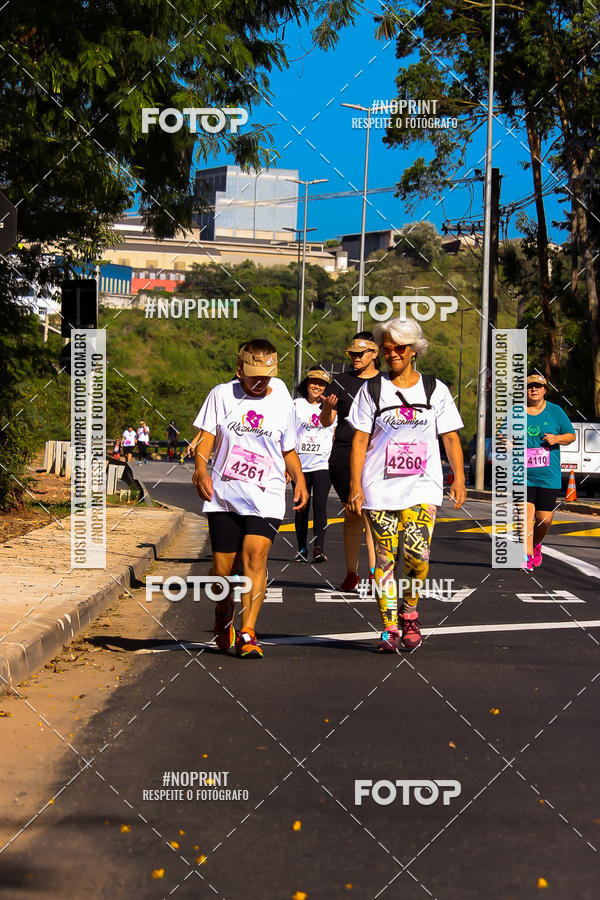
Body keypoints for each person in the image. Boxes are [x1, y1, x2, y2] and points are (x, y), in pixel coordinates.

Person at [347, 317, 466, 652]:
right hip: (379, 487)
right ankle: (388, 626)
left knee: (417, 556)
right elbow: (359, 441)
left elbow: (451, 437)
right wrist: (355, 485)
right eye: (387, 349)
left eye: (399, 348)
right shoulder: (372, 389)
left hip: (422, 486)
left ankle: (409, 612)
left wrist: (458, 478)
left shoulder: (434, 389)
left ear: (414, 350)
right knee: (385, 559)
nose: (392, 354)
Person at [192, 340, 308, 659]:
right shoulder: (222, 395)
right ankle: (223, 610)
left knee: (255, 558)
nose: (260, 382)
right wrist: (201, 469)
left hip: (266, 494)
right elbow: (206, 438)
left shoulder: (283, 403)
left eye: (267, 376)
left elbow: (288, 450)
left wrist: (299, 480)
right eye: (254, 375)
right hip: (225, 494)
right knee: (222, 571)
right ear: (239, 370)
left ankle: (248, 631)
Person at [320, 332, 379, 590]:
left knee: (375, 514)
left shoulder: (385, 383)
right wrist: (326, 408)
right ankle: (351, 573)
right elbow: (326, 422)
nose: (355, 358)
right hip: (344, 453)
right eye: (351, 354)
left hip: (375, 453)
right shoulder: (341, 382)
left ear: (374, 354)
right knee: (353, 512)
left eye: (360, 354)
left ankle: (377, 571)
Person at [524, 373, 575, 571]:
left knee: (544, 519)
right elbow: (503, 434)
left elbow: (570, 435)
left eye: (538, 386)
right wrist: (507, 441)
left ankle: (536, 544)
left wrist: (556, 439)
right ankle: (526, 555)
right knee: (526, 514)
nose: (534, 389)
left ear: (545, 390)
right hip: (523, 475)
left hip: (548, 476)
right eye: (530, 386)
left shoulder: (556, 411)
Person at [293, 368, 336, 563]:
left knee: (320, 505)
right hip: (300, 465)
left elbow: (332, 430)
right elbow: (288, 435)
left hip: (322, 464)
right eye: (314, 382)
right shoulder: (295, 405)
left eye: (322, 384)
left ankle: (319, 548)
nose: (317, 386)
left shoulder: (330, 407)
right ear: (307, 383)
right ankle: (302, 548)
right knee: (302, 507)